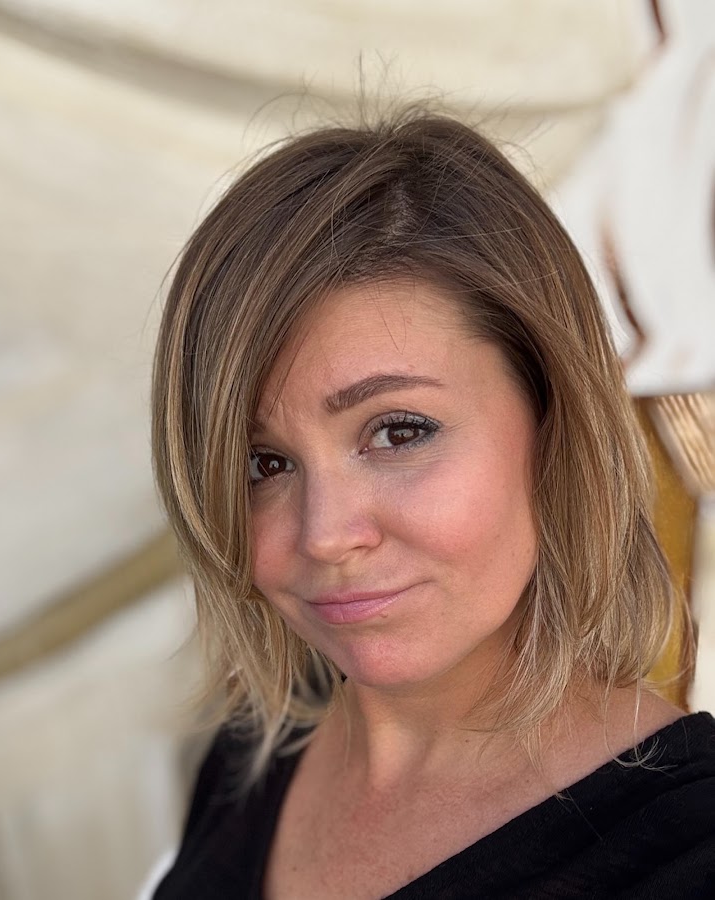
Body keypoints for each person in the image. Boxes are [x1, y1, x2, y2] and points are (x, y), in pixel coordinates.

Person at [148, 109, 715, 898]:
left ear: (552, 419)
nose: (325, 535)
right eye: (263, 464)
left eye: (398, 431)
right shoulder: (255, 752)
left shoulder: (688, 850)